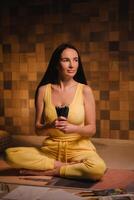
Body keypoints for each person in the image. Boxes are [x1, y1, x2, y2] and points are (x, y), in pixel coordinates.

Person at [6, 43, 106, 180]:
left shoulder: (85, 91)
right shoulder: (43, 90)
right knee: (10, 154)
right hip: (50, 151)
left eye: (75, 60)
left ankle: (50, 171)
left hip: (79, 149)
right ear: (56, 64)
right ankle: (64, 166)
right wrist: (51, 125)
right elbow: (38, 130)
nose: (72, 65)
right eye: (66, 60)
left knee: (98, 168)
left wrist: (73, 128)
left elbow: (91, 129)